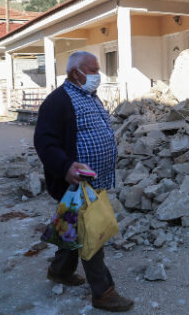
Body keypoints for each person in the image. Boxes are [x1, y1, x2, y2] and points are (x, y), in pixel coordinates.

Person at [34, 51, 133, 312]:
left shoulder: (88, 95)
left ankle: (60, 271)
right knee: (92, 232)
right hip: (76, 182)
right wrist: (66, 167)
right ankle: (103, 292)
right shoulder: (58, 101)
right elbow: (44, 142)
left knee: (73, 227)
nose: (97, 75)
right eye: (93, 70)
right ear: (77, 72)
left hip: (93, 181)